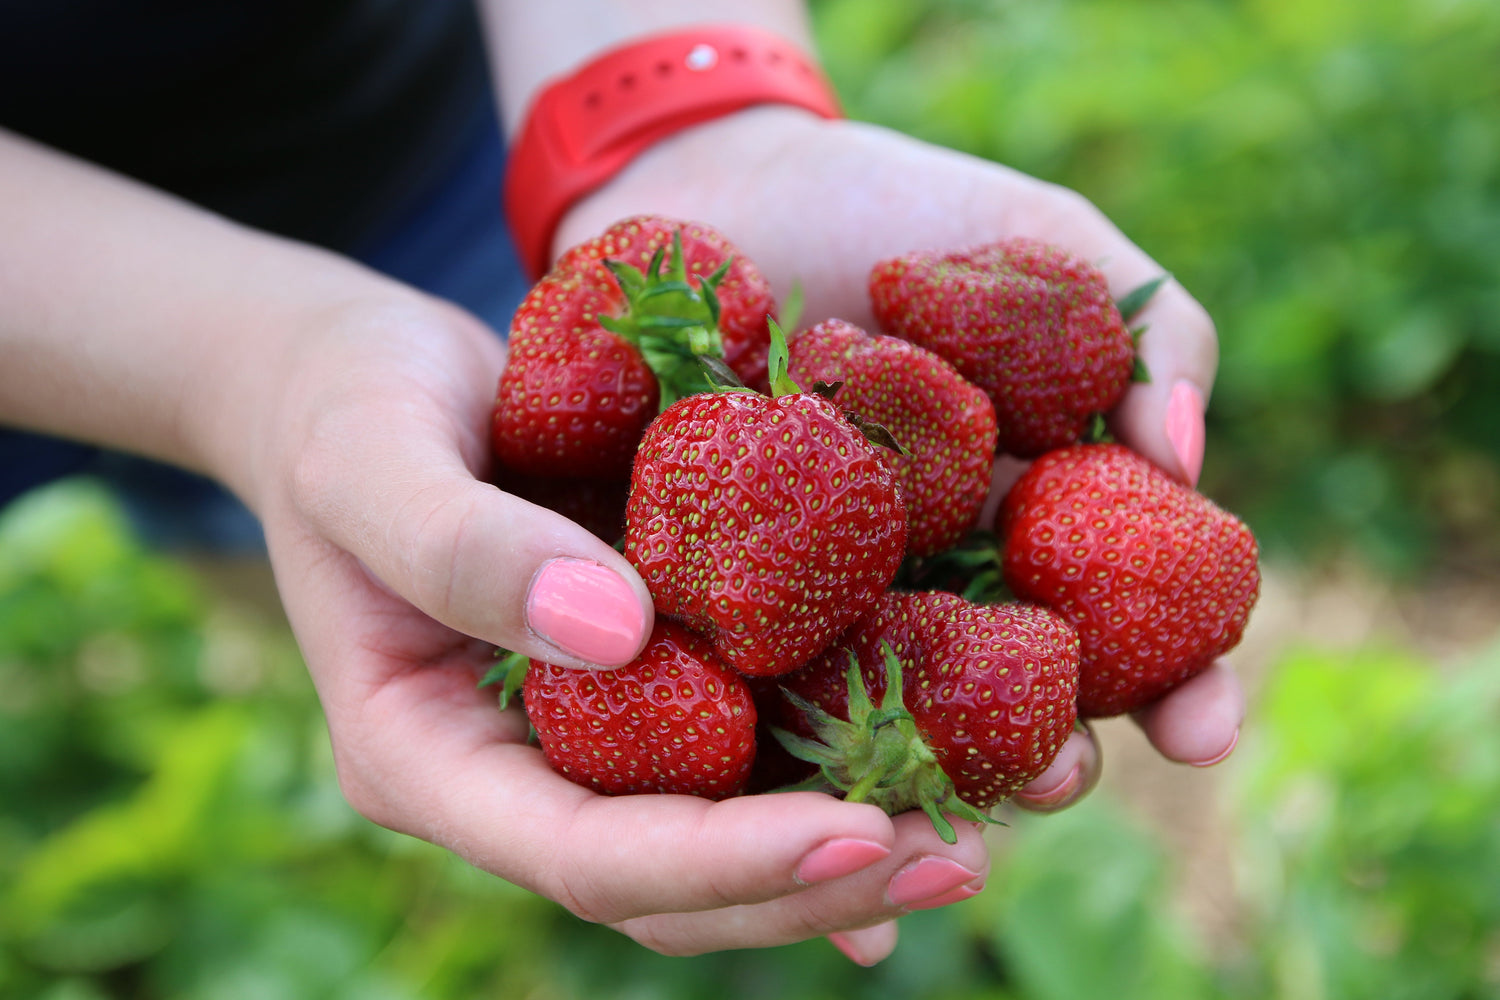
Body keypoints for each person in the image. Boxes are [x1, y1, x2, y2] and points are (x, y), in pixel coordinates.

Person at [0, 0, 1242, 966]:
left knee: (406, 509)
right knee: (338, 531)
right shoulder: (740, 444)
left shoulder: (735, 411)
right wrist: (250, 375)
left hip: (452, 113)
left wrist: (683, 115)